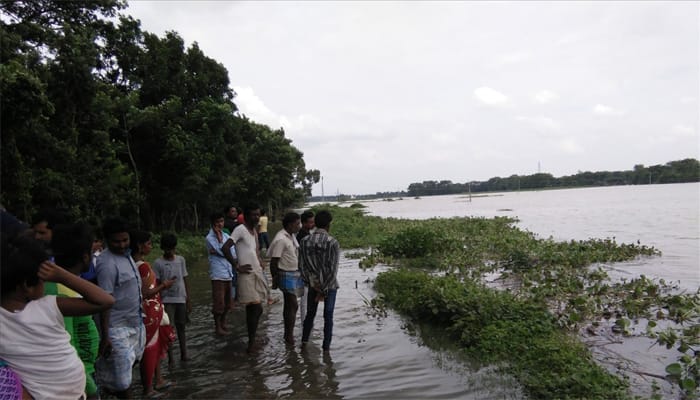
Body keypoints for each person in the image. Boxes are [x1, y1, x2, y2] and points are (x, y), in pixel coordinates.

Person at [0, 235, 115, 399]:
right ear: (27, 285)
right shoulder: (47, 306)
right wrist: (63, 276)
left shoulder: (46, 305)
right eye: (44, 280)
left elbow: (105, 302)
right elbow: (105, 301)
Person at [47, 223, 103, 399]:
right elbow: (68, 344)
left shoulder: (66, 288)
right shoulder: (63, 293)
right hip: (79, 380)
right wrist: (89, 386)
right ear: (86, 257)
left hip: (83, 371)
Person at [94, 217, 146, 399]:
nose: (122, 244)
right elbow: (105, 300)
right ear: (107, 240)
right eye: (117, 241)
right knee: (123, 383)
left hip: (135, 322)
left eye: (125, 240)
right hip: (116, 327)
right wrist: (105, 335)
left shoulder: (127, 257)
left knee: (127, 370)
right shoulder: (107, 263)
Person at [130, 230, 176, 398]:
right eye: (149, 243)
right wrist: (164, 285)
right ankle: (149, 387)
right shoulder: (142, 266)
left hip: (149, 310)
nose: (151, 246)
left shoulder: (133, 264)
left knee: (153, 346)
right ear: (140, 246)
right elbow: (146, 292)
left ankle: (157, 379)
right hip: (150, 311)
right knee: (151, 347)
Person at [225, 204, 269, 353]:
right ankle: (251, 344)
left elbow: (254, 249)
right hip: (246, 273)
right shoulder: (240, 229)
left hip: (256, 271)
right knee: (254, 308)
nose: (256, 217)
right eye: (253, 215)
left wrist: (260, 261)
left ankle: (252, 339)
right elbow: (225, 247)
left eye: (258, 214)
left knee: (258, 308)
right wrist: (237, 266)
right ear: (246, 216)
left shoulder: (254, 231)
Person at [299, 210, 340, 353]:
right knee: (328, 315)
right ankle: (326, 349)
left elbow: (302, 267)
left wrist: (313, 284)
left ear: (315, 223)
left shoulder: (304, 241)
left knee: (310, 314)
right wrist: (324, 288)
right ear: (328, 225)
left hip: (313, 285)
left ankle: (304, 343)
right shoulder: (332, 242)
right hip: (329, 285)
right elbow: (333, 270)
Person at [153, 233, 191, 365]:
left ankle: (184, 353)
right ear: (163, 248)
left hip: (180, 298)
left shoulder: (180, 260)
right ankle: (171, 358)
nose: (169, 251)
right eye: (167, 249)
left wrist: (188, 299)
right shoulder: (158, 263)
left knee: (182, 327)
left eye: (171, 248)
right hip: (166, 300)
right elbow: (156, 283)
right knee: (169, 329)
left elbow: (185, 279)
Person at [268, 212, 303, 344]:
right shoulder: (281, 239)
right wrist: (275, 279)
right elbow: (274, 261)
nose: (299, 226)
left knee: (290, 305)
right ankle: (289, 336)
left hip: (293, 274)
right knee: (292, 304)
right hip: (285, 274)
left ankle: (288, 333)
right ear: (290, 225)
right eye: (297, 224)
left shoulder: (290, 236)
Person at [205, 212, 235, 336]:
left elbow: (232, 254)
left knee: (228, 303)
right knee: (219, 302)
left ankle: (223, 323)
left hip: (228, 272)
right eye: (217, 222)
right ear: (213, 223)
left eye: (221, 221)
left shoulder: (227, 236)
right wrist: (219, 242)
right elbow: (224, 251)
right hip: (217, 273)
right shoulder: (209, 238)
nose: (220, 224)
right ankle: (217, 326)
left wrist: (220, 251)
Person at [296, 210, 315, 323]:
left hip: (305, 271)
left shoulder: (306, 234)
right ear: (303, 223)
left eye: (313, 222)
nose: (312, 224)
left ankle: (306, 323)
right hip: (303, 272)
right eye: (310, 222)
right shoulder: (302, 236)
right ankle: (305, 323)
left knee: (306, 299)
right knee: (305, 300)